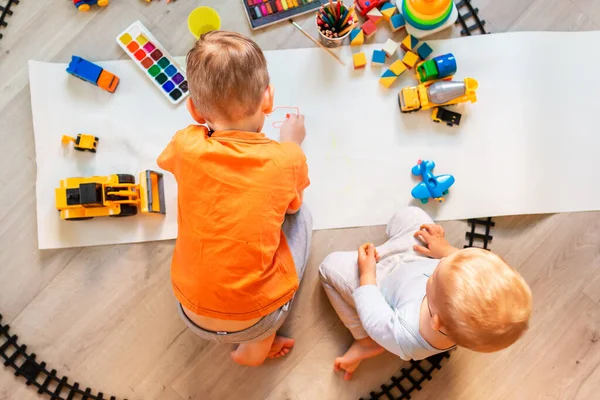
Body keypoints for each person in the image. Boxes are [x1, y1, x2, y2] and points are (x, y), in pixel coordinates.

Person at [157, 31, 311, 367]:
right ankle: (254, 351)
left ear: (195, 110)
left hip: (191, 311)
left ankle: (252, 344)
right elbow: (293, 205)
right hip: (258, 318)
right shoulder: (287, 159)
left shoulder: (186, 144)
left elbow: (171, 156)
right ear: (268, 100)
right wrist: (292, 143)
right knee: (303, 216)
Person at [319, 207, 532, 380]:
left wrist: (367, 275)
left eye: (433, 275)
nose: (436, 266)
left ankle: (365, 342)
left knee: (329, 267)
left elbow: (374, 315)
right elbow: (461, 262)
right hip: (410, 260)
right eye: (445, 262)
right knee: (415, 217)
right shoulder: (451, 305)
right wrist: (443, 250)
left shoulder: (406, 334)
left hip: (380, 284)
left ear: (436, 321)